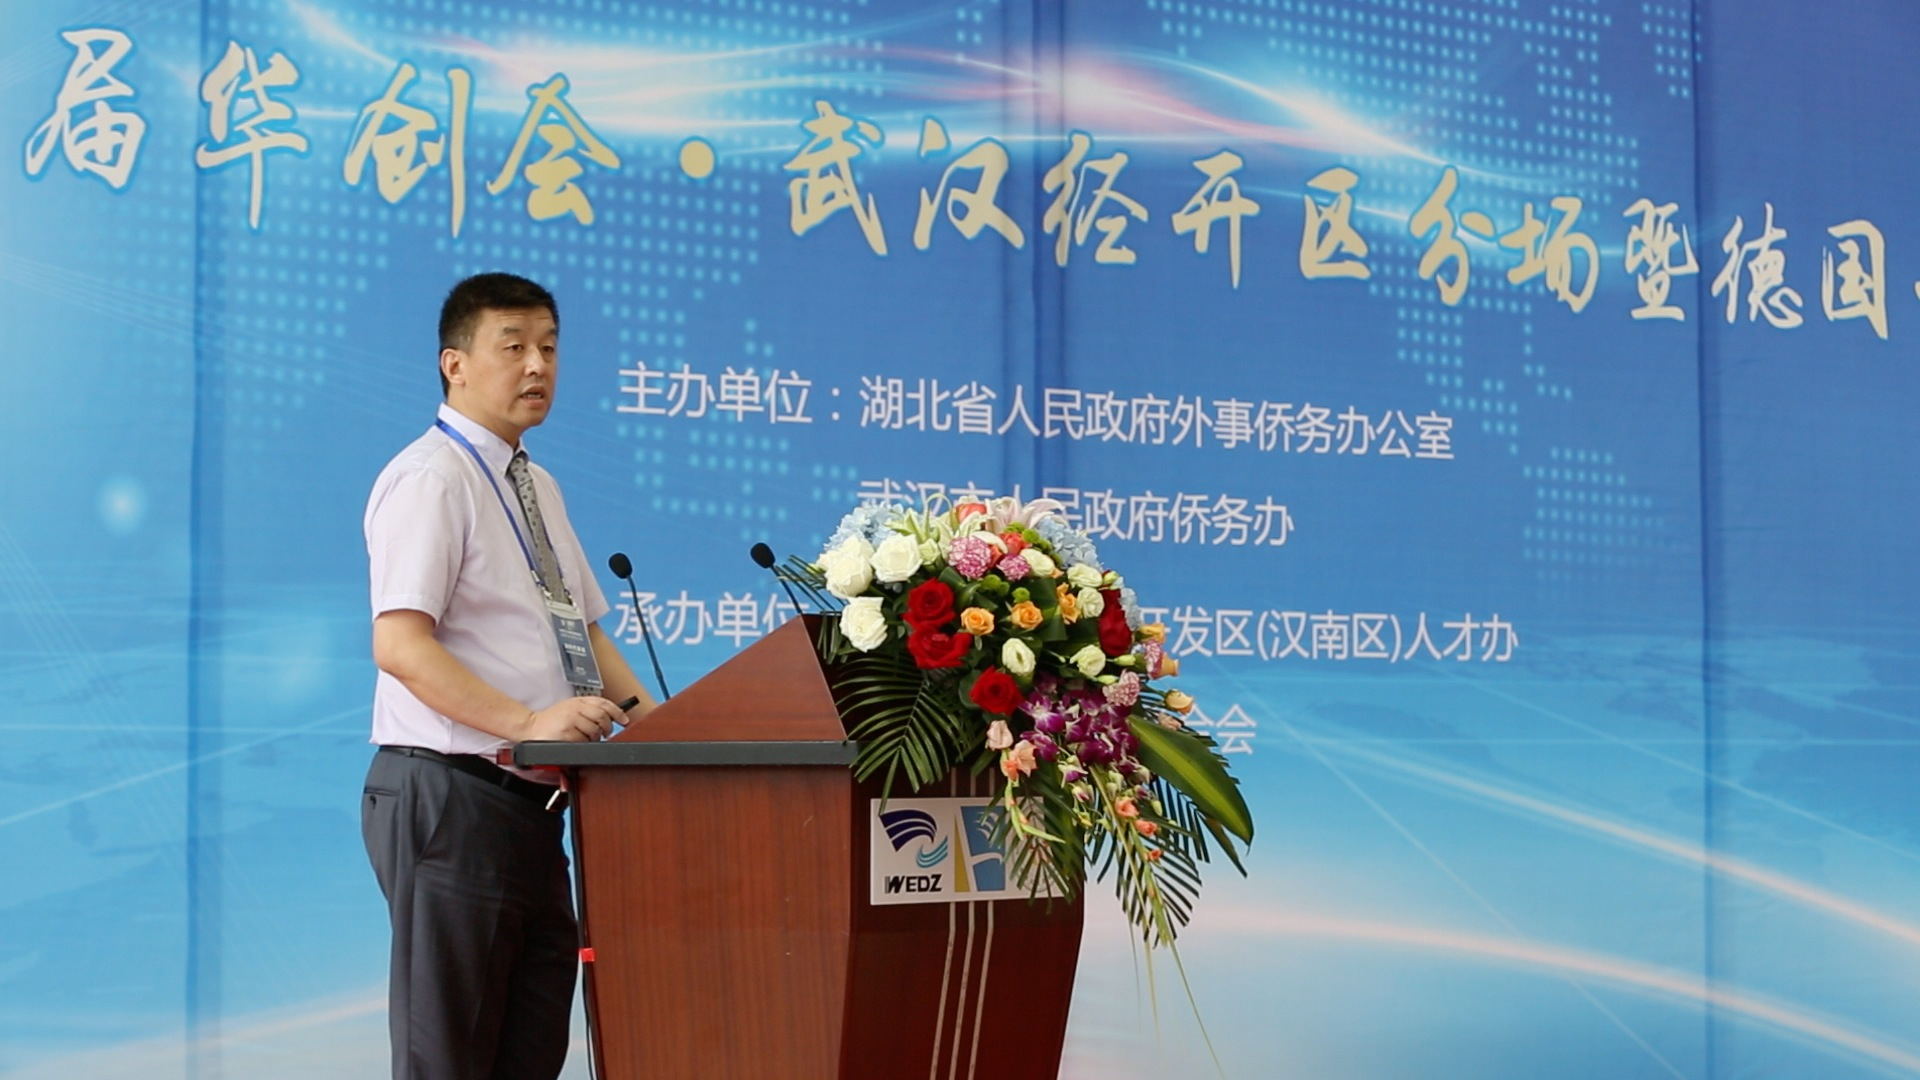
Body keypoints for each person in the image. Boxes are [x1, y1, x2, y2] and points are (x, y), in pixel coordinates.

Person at [360, 271, 654, 1080]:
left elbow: (584, 632)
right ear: (454, 364)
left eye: (550, 349)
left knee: (527, 1052)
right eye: (514, 347)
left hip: (532, 809)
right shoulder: (431, 478)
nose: (537, 367)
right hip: (452, 795)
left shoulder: (535, 483)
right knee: (451, 1058)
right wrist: (528, 724)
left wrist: (663, 734)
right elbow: (401, 645)